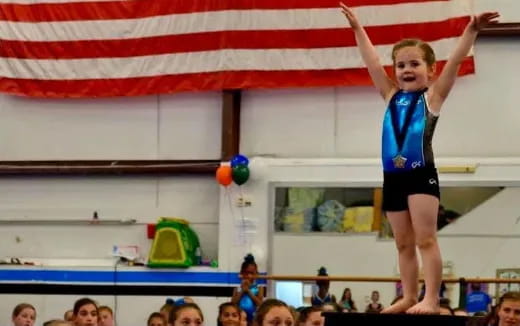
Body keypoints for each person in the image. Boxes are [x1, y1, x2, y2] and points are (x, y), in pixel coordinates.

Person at [340, 2, 499, 314]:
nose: (407, 70)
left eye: (414, 64)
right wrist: (359, 30)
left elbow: (454, 63)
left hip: (420, 174)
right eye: (400, 65)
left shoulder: (433, 97)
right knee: (402, 243)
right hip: (393, 177)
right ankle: (409, 295)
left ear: (430, 69)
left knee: (425, 239)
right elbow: (372, 62)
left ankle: (431, 298)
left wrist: (471, 30)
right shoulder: (390, 95)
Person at [231, 254, 265, 323]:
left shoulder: (259, 288)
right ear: (241, 273)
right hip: (240, 320)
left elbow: (260, 304)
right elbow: (232, 304)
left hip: (254, 320)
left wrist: (249, 291)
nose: (249, 276)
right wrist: (242, 291)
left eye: (252, 273)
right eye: (246, 273)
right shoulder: (237, 288)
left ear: (256, 274)